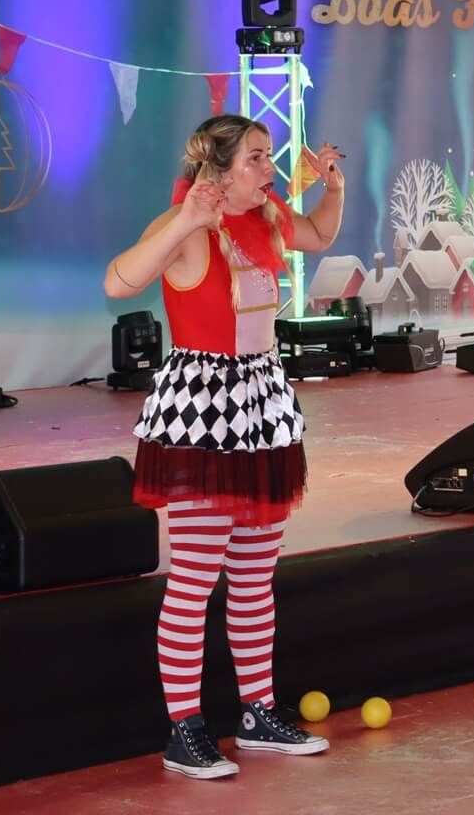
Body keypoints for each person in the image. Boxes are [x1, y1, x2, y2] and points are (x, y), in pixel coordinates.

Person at [104, 114, 345, 779]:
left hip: (261, 406)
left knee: (254, 576)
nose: (271, 169)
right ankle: (184, 729)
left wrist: (334, 188)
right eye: (257, 158)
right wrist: (185, 220)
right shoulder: (184, 226)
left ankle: (257, 713)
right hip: (203, 410)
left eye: (269, 156)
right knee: (194, 578)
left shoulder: (265, 214)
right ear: (220, 167)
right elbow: (118, 282)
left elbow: (320, 234)